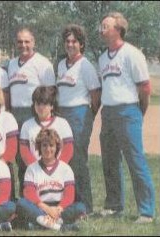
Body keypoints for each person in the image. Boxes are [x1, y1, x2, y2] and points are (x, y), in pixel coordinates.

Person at [97, 12, 155, 223]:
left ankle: (146, 211)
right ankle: (114, 205)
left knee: (135, 160)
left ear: (118, 29)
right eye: (101, 27)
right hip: (108, 112)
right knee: (110, 160)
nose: (101, 30)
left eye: (106, 26)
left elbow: (145, 88)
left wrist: (138, 113)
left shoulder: (132, 53)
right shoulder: (102, 57)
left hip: (128, 111)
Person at [4, 28, 55, 198]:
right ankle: (23, 196)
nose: (23, 45)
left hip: (34, 114)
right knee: (19, 158)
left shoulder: (42, 63)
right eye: (20, 42)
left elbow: (50, 95)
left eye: (27, 41)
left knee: (36, 154)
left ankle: (42, 194)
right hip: (14, 114)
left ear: (33, 42)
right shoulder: (11, 64)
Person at [56, 24, 101, 215]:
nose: (70, 44)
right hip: (62, 114)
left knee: (78, 159)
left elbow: (96, 95)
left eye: (74, 41)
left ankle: (86, 206)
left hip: (80, 113)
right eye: (67, 41)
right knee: (63, 158)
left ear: (81, 44)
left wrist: (88, 114)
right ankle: (69, 202)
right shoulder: (60, 64)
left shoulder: (86, 65)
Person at [16, 129, 85, 231]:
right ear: (39, 147)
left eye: (51, 145)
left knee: (80, 207)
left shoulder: (65, 168)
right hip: (40, 207)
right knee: (21, 203)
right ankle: (59, 226)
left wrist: (58, 209)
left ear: (57, 147)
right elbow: (29, 194)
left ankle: (39, 224)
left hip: (60, 208)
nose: (48, 149)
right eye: (44, 145)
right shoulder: (31, 168)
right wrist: (47, 210)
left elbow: (69, 195)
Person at [19, 86, 73, 194]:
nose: (41, 107)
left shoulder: (62, 123)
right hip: (36, 172)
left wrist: (57, 167)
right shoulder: (27, 125)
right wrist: (37, 168)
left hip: (58, 172)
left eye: (45, 104)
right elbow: (24, 151)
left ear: (52, 106)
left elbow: (68, 149)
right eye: (38, 104)